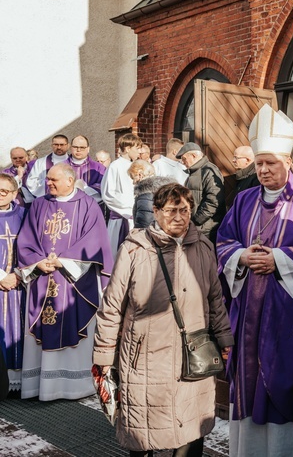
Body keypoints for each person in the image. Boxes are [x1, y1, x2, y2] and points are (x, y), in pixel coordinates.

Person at [216, 104, 293, 456]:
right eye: (259, 163)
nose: (263, 170)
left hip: (285, 312)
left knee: (283, 381)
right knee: (246, 385)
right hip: (247, 306)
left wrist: (277, 259)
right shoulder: (244, 199)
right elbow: (223, 240)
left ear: (288, 161)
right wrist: (241, 257)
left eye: (271, 163)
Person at [93, 183, 233, 457]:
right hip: (145, 357)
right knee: (143, 431)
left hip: (192, 355)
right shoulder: (135, 250)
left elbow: (216, 299)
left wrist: (225, 338)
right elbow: (112, 306)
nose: (178, 217)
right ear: (155, 212)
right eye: (170, 211)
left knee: (191, 427)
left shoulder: (203, 246)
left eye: (184, 210)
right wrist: (104, 355)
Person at [17, 163, 113, 400]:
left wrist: (65, 261)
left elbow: (95, 241)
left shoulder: (89, 205)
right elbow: (26, 238)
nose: (48, 183)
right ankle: (42, 385)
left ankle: (76, 386)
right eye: (47, 179)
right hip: (43, 277)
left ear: (70, 180)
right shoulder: (39, 204)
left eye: (53, 180)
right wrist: (37, 262)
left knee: (73, 323)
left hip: (75, 280)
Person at [0, 173, 26, 393]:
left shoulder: (25, 215)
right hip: (0, 283)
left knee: (17, 328)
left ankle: (18, 381)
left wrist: (17, 274)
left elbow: (33, 247)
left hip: (19, 284)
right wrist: (1, 277)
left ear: (15, 193)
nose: (0, 195)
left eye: (4, 191)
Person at [101, 133, 142, 257]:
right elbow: (108, 194)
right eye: (137, 148)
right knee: (118, 256)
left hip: (134, 218)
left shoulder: (135, 166)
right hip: (121, 219)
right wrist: (129, 209)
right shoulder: (115, 166)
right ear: (128, 148)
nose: (139, 151)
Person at [176, 143, 225, 242]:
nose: (183, 162)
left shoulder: (209, 171)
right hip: (197, 227)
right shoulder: (194, 172)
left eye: (184, 158)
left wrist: (195, 221)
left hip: (207, 229)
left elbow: (213, 202)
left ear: (194, 156)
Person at [128, 159, 174, 229]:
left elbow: (144, 223)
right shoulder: (164, 189)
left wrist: (138, 236)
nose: (133, 182)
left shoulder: (146, 194)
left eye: (133, 178)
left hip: (150, 236)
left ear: (140, 175)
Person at [66, 135, 106, 203]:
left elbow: (105, 185)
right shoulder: (61, 166)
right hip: (67, 204)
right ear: (70, 147)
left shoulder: (99, 167)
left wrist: (85, 190)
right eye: (75, 147)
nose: (78, 150)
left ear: (88, 149)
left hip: (92, 204)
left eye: (82, 147)